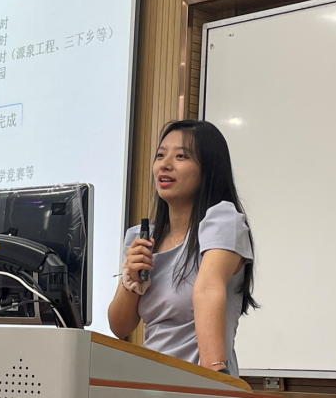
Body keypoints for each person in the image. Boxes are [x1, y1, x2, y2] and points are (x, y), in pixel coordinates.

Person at [108, 120, 257, 377]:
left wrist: (212, 377)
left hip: (198, 382)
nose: (165, 165)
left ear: (208, 170)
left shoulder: (223, 220)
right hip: (148, 383)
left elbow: (207, 289)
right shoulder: (141, 237)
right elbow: (120, 327)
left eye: (181, 156)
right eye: (160, 155)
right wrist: (129, 279)